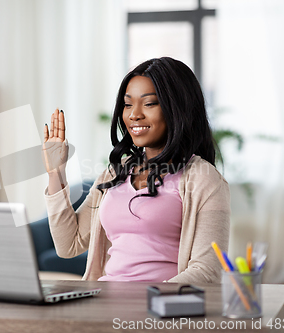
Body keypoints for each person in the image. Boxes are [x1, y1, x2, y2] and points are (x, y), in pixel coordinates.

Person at [41, 57, 230, 283]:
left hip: (159, 310)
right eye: (128, 104)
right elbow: (68, 244)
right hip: (104, 304)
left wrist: (150, 302)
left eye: (149, 103)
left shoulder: (204, 180)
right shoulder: (114, 175)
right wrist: (55, 173)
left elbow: (206, 269)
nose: (134, 114)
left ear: (178, 108)